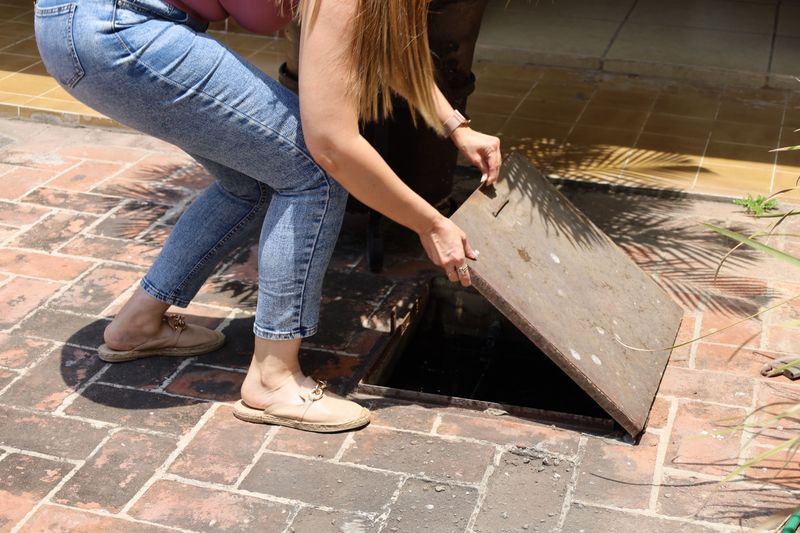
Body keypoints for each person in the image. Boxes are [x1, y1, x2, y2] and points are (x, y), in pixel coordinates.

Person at [33, 0, 501, 433]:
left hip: (77, 24)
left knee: (252, 179)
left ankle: (137, 325)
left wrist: (454, 125)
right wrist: (430, 223)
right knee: (312, 173)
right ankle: (273, 381)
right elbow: (333, 146)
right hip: (121, 30)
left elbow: (374, 44)